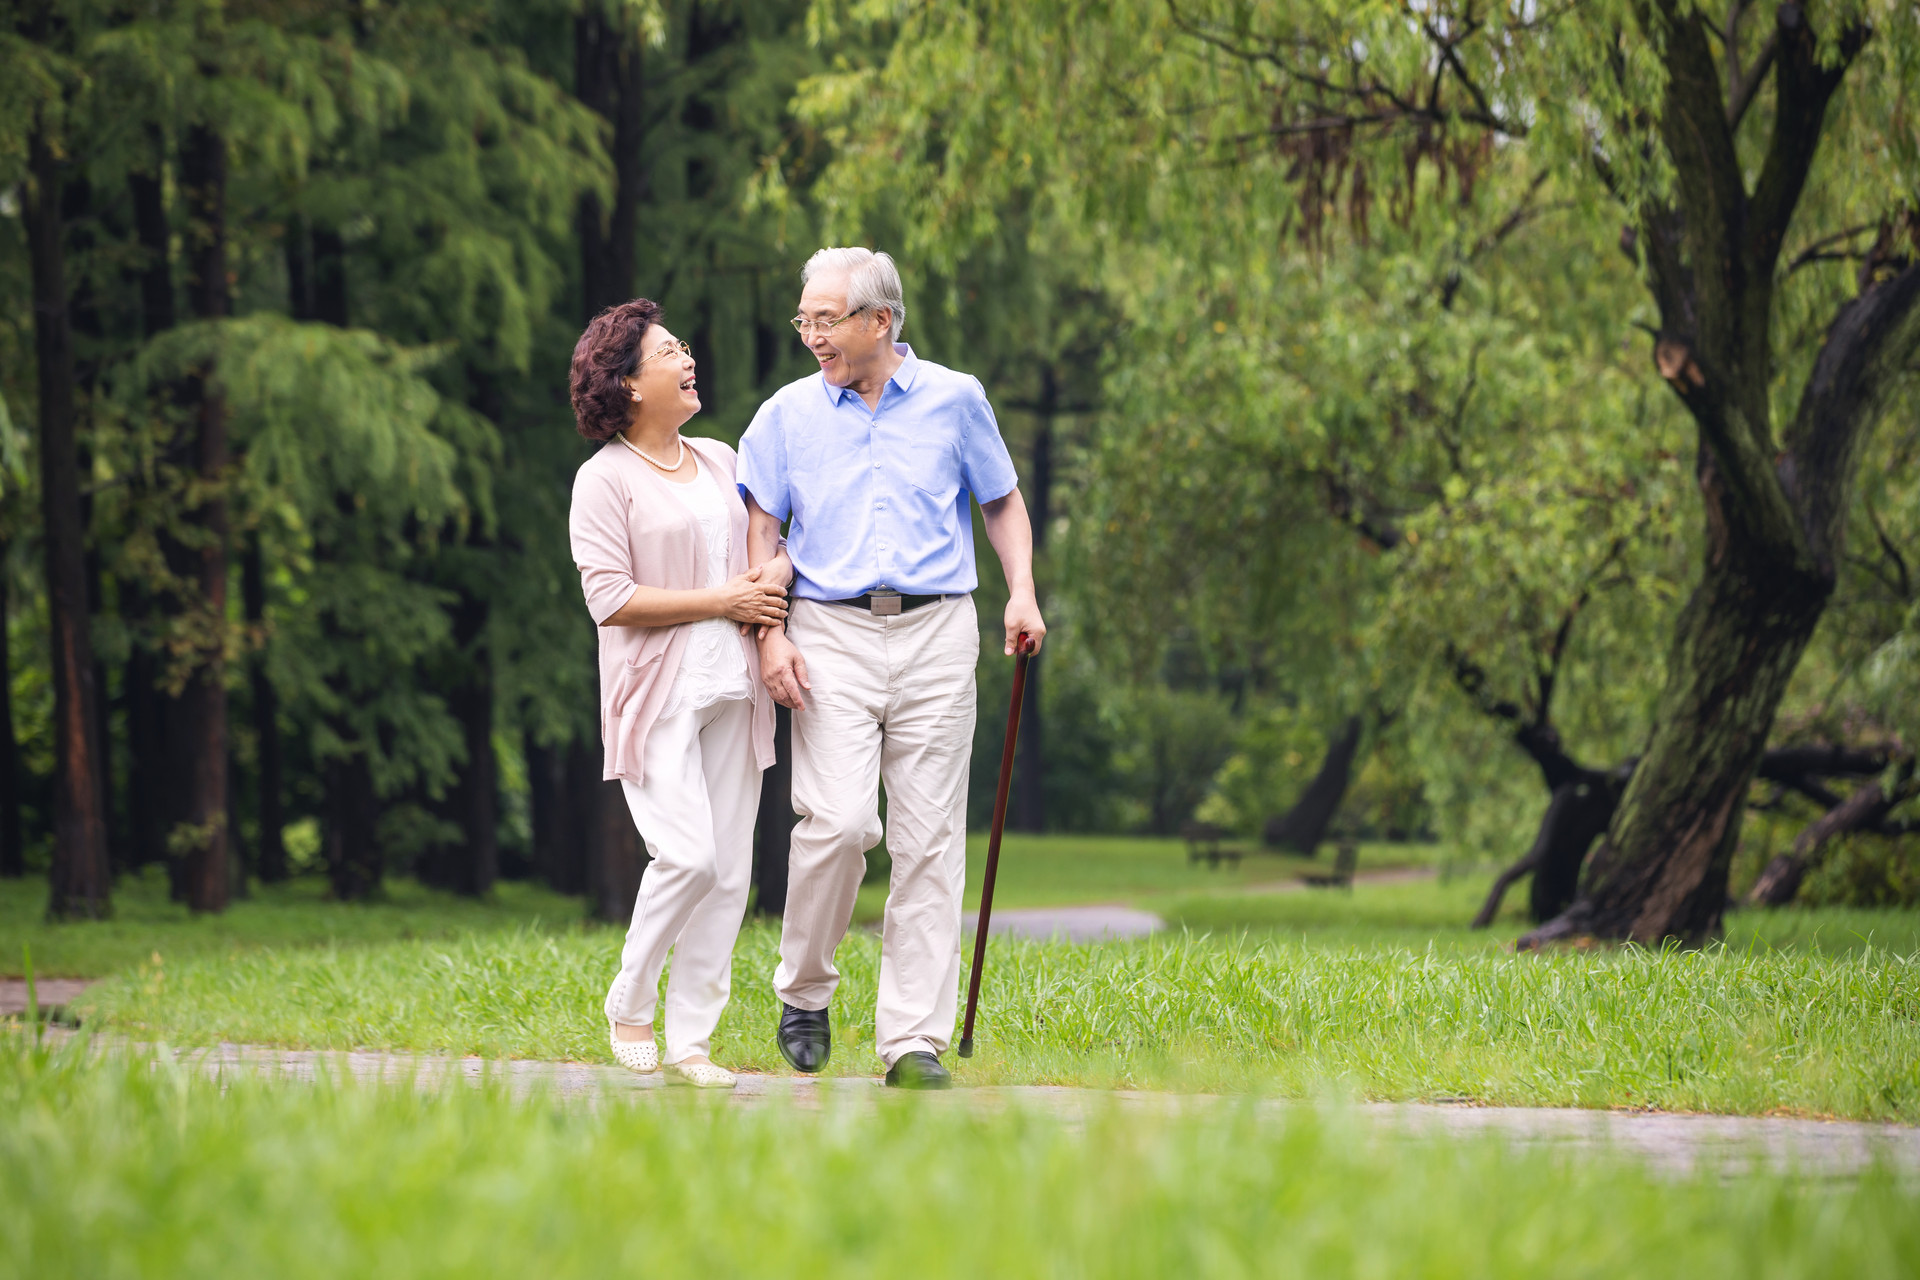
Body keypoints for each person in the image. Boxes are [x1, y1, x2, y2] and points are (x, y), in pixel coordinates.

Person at [738, 247, 1046, 1090]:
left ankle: (912, 1041)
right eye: (804, 319)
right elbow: (761, 532)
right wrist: (770, 637)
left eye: (825, 320)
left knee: (928, 841)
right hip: (828, 631)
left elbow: (1001, 501)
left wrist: (1021, 591)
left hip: (938, 632)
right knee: (838, 825)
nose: (811, 336)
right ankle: (804, 988)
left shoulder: (956, 399)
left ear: (881, 320)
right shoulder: (786, 416)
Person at [568, 298, 790, 1089]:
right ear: (627, 384)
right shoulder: (603, 481)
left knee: (729, 873)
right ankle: (631, 997)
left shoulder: (724, 460)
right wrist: (722, 601)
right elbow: (610, 600)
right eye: (671, 352)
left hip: (734, 687)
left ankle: (692, 1041)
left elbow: (774, 546)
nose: (689, 358)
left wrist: (772, 578)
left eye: (685, 345)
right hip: (655, 695)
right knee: (688, 855)